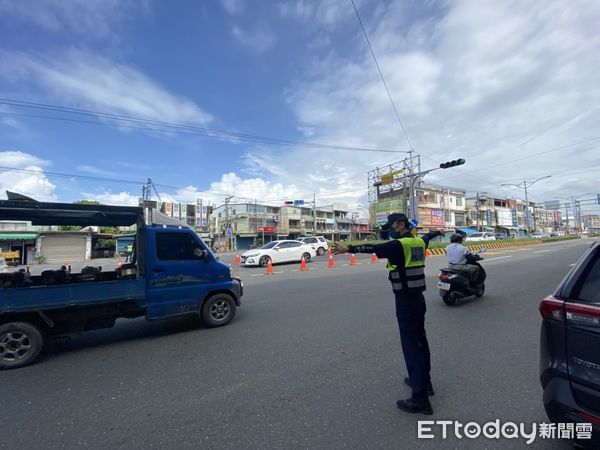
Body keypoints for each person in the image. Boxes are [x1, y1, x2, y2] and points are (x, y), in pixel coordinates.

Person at [332, 213, 443, 415]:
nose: (389, 230)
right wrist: (436, 232)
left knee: (411, 346)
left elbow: (375, 248)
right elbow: (428, 237)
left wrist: (349, 248)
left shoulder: (398, 245)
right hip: (418, 298)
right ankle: (424, 383)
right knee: (420, 340)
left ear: (400, 225)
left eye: (391, 226)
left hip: (406, 300)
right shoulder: (418, 241)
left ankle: (420, 399)